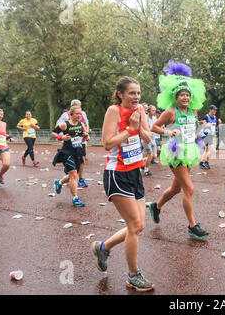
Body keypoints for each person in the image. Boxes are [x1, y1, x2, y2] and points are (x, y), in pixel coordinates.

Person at [91, 76, 155, 292]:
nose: (136, 97)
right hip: (116, 174)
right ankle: (134, 275)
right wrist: (130, 129)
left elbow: (146, 138)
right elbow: (107, 143)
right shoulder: (114, 111)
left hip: (135, 173)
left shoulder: (141, 110)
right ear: (121, 94)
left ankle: (103, 247)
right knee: (135, 226)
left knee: (138, 226)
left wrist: (140, 126)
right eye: (132, 93)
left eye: (138, 93)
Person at [146, 60, 209, 241]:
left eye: (188, 96)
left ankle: (156, 207)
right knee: (189, 188)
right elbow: (154, 127)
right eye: (182, 95)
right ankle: (192, 226)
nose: (185, 98)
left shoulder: (193, 112)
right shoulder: (170, 112)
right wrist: (168, 131)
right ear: (176, 96)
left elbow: (194, 129)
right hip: (175, 152)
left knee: (176, 188)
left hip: (190, 150)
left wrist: (199, 133)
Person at [51, 105, 89, 207]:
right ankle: (75, 199)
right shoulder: (65, 125)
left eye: (80, 114)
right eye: (77, 114)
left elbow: (84, 134)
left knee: (73, 175)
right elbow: (53, 133)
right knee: (73, 174)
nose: (80, 115)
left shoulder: (81, 123)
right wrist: (61, 137)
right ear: (71, 114)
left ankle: (59, 182)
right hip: (67, 153)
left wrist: (86, 136)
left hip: (78, 152)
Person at [56, 99, 90, 188]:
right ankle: (69, 172)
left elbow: (86, 124)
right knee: (72, 164)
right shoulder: (65, 115)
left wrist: (86, 133)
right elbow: (58, 127)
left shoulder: (83, 113)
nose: (80, 110)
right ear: (72, 107)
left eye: (80, 107)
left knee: (82, 160)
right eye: (77, 107)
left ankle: (81, 178)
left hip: (80, 141)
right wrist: (61, 137)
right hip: (69, 143)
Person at [0, 108, 13, 189]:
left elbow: (3, 133)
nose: (1, 116)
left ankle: (0, 175)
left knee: (7, 164)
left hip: (3, 145)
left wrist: (9, 138)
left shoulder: (4, 124)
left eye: (2, 114)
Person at [199, 105, 219, 169]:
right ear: (210, 110)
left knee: (206, 150)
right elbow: (203, 125)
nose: (215, 111)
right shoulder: (206, 116)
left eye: (215, 110)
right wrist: (208, 124)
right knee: (212, 150)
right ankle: (205, 162)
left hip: (210, 135)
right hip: (205, 135)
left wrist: (218, 126)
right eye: (214, 110)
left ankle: (201, 163)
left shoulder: (215, 118)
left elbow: (216, 126)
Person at [142, 105, 158, 176]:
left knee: (154, 156)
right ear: (149, 111)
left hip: (153, 139)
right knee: (150, 155)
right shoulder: (145, 118)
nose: (154, 112)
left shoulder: (154, 118)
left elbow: (156, 126)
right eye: (153, 110)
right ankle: (146, 170)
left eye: (155, 110)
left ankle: (141, 161)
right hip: (146, 139)